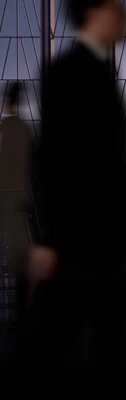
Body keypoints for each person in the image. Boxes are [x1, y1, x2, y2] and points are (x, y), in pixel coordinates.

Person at [28, 0, 126, 390]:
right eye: (116, 6)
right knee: (89, 350)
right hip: (82, 237)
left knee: (100, 349)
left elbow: (107, 163)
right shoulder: (69, 73)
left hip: (99, 239)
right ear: (93, 12)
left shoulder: (94, 71)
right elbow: (59, 160)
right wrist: (47, 240)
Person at [0, 81, 33, 316]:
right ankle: (24, 296)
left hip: (8, 194)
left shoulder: (6, 128)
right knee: (21, 242)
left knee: (17, 244)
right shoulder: (24, 129)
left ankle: (23, 299)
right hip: (22, 193)